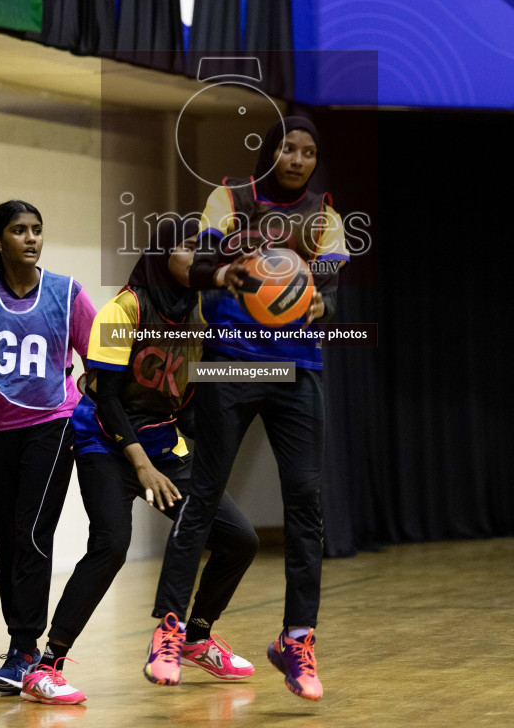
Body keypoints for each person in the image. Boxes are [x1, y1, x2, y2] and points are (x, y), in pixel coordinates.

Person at [145, 116, 349, 702]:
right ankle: (169, 631)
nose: (298, 159)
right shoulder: (230, 198)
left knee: (305, 504)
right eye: (289, 147)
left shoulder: (326, 217)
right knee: (204, 495)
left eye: (309, 152)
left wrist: (323, 310)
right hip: (230, 362)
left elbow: (330, 286)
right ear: (271, 150)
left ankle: (297, 639)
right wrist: (224, 272)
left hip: (296, 370)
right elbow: (186, 263)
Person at [21, 219, 258, 705]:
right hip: (104, 445)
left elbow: (183, 399)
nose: (201, 261)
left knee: (239, 539)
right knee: (111, 545)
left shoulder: (199, 312)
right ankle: (45, 667)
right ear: (161, 254)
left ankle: (196, 637)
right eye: (190, 250)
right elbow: (107, 398)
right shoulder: (123, 307)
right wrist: (142, 467)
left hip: (160, 442)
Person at [0, 200, 96, 694]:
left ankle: (24, 647)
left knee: (32, 531)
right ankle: (22, 644)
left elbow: (99, 353)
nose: (31, 238)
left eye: (36, 230)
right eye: (18, 230)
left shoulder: (67, 293)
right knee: (4, 536)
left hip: (53, 424)